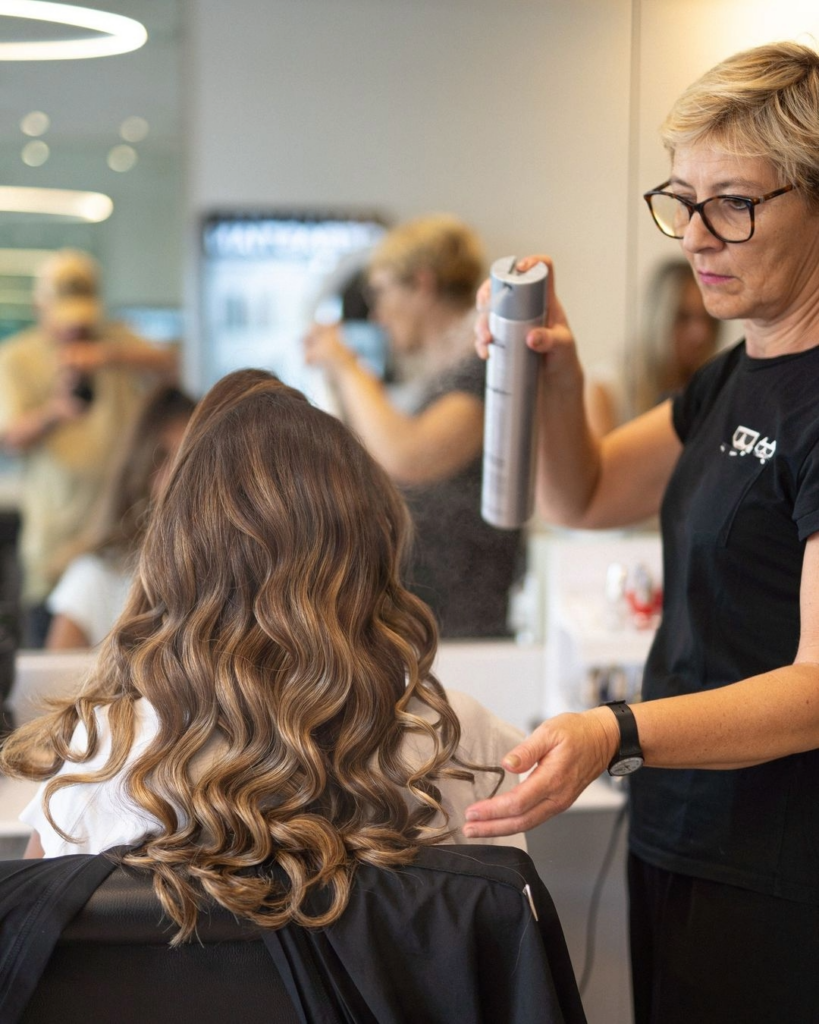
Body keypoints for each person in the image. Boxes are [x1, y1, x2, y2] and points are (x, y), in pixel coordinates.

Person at [464, 41, 819, 1024]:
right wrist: (556, 372)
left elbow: (818, 687)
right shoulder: (732, 375)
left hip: (777, 862)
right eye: (682, 198)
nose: (696, 236)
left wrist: (618, 731)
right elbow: (582, 494)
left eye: (734, 203)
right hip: (680, 830)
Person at [1, 369, 526, 939]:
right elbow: (500, 965)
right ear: (371, 547)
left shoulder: (104, 755)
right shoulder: (461, 744)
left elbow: (34, 963)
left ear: (180, 555)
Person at [305, 214, 523, 638]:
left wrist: (346, 365)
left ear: (422, 284)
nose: (377, 314)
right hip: (443, 617)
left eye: (381, 291)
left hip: (464, 623)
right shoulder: (450, 371)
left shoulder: (486, 362)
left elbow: (410, 455)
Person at [0, 250, 178, 647]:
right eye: (64, 319)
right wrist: (57, 411)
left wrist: (110, 356)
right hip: (55, 547)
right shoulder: (18, 357)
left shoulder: (113, 342)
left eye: (82, 318)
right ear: (39, 307)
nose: (74, 330)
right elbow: (9, 437)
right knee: (52, 675)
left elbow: (172, 362)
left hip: (124, 544)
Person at [45, 385, 196, 649]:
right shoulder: (93, 576)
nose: (177, 476)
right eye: (163, 457)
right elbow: (53, 684)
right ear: (140, 469)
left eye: (191, 458)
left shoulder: (224, 577)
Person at [586, 258, 720, 436]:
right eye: (683, 317)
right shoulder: (606, 389)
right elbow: (597, 464)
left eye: (709, 318)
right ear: (656, 319)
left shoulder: (713, 387)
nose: (701, 333)